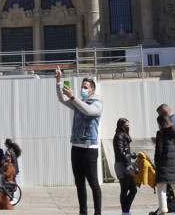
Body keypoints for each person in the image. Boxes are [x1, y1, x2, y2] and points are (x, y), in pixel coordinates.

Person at [54, 67, 103, 215]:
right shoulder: (79, 102)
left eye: (85, 88)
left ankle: (98, 212)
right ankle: (83, 212)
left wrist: (75, 98)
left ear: (92, 90)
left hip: (89, 148)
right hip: (76, 146)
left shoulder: (97, 102)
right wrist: (58, 81)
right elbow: (62, 99)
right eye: (82, 87)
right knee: (79, 183)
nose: (83, 89)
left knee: (93, 182)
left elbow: (89, 111)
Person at [113, 118, 138, 215]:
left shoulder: (123, 135)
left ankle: (126, 211)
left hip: (125, 164)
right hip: (122, 165)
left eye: (128, 126)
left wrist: (133, 155)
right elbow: (120, 153)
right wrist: (129, 166)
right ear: (121, 126)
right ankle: (125, 212)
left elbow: (125, 152)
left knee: (133, 190)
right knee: (125, 189)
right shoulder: (119, 136)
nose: (128, 128)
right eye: (126, 126)